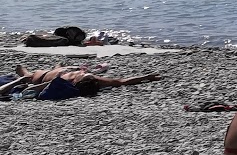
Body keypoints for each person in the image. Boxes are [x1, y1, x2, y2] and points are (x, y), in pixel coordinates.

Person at [3, 63, 161, 98]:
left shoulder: (89, 78)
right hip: (41, 77)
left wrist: (147, 77)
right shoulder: (68, 81)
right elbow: (121, 81)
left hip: (59, 71)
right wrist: (146, 77)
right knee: (29, 75)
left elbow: (121, 81)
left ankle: (56, 66)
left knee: (57, 68)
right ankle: (20, 70)